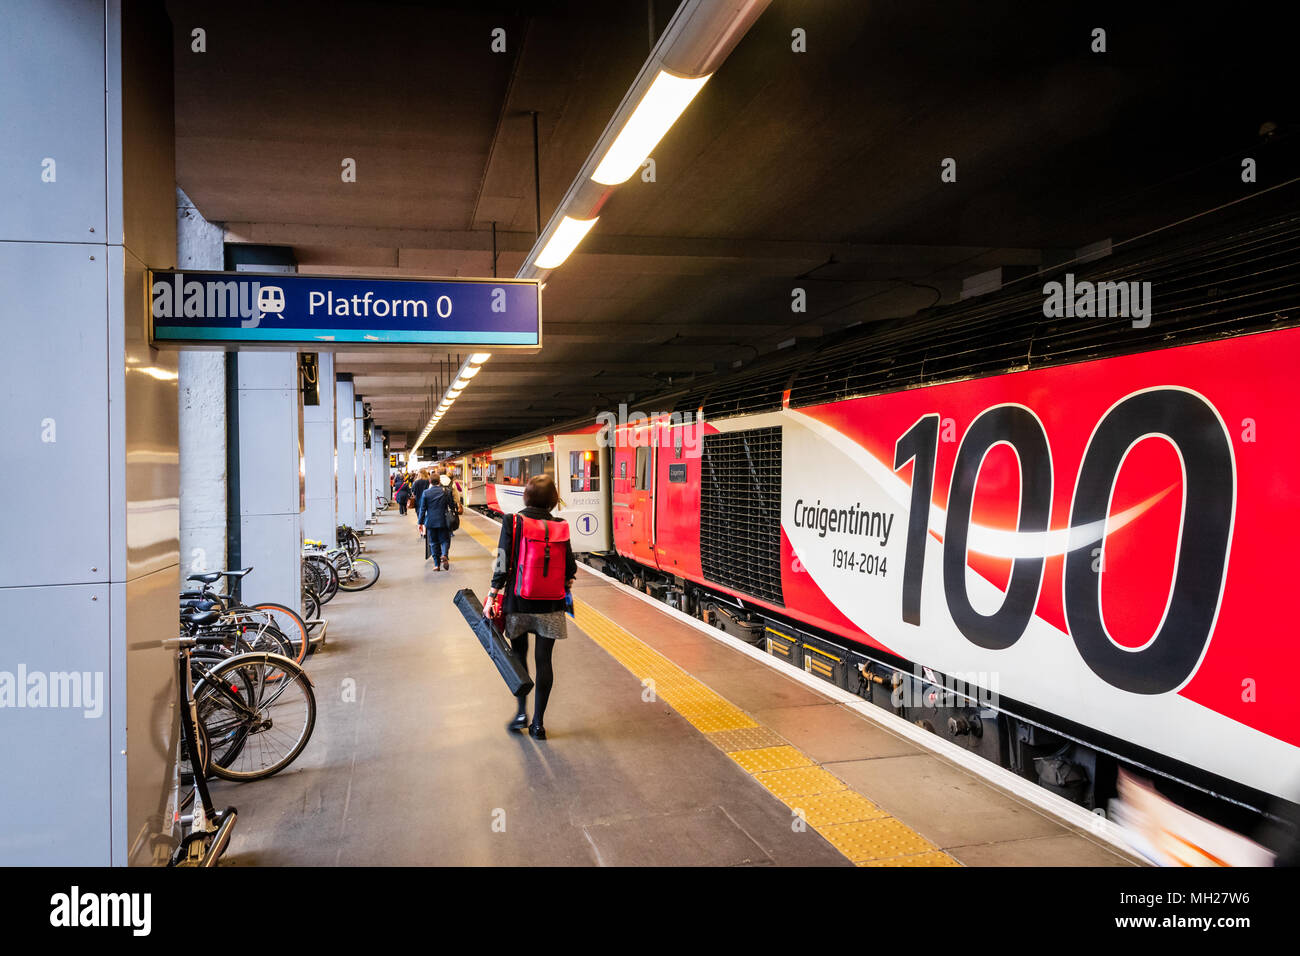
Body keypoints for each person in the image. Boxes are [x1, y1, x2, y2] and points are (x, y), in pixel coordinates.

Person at [485, 474, 576, 740]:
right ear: (552, 499)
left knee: (519, 657)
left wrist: (492, 594)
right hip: (552, 604)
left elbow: (501, 561)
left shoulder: (513, 521)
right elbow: (570, 567)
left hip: (518, 602)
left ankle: (522, 713)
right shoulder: (560, 525)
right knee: (544, 661)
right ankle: (538, 723)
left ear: (525, 496)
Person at [417, 475, 456, 571]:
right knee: (445, 540)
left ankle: (436, 565)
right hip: (443, 520)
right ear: (439, 481)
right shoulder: (446, 492)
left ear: (430, 482)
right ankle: (444, 555)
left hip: (430, 521)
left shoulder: (426, 493)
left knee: (433, 542)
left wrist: (420, 523)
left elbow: (422, 509)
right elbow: (451, 505)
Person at [409, 469, 430, 535]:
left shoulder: (416, 482)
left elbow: (413, 493)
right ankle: (426, 529)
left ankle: (422, 532)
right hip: (428, 501)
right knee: (427, 515)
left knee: (420, 515)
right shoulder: (428, 481)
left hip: (418, 502)